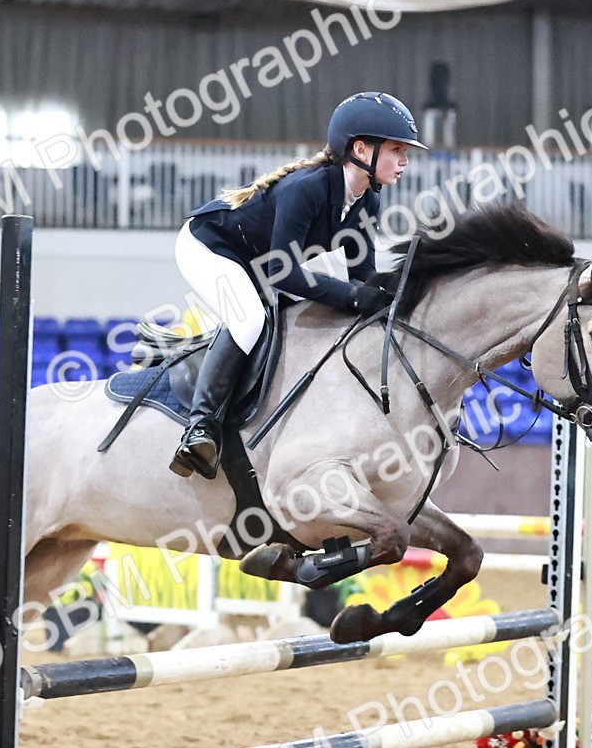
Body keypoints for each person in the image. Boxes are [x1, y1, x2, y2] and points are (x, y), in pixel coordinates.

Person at [169, 92, 427, 479]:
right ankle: (199, 428)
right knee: (248, 320)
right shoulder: (307, 189)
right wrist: (357, 295)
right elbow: (283, 272)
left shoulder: (365, 203)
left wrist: (399, 294)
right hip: (208, 246)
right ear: (361, 149)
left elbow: (362, 278)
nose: (405, 160)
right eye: (396, 149)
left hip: (255, 264)